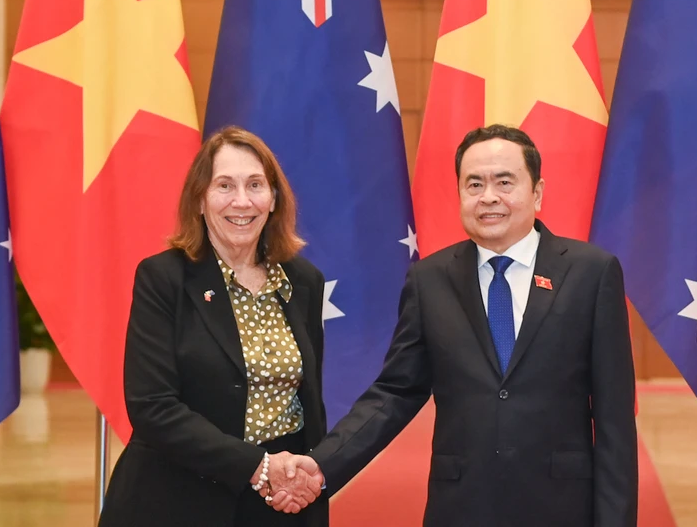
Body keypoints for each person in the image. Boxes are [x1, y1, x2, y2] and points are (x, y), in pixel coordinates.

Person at [273, 124, 639, 525]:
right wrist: (321, 465)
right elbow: (395, 393)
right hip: (462, 508)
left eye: (505, 182)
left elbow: (614, 422)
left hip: (561, 507)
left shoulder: (591, 273)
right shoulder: (430, 280)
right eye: (474, 184)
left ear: (536, 192)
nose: (489, 197)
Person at [98, 126, 327, 527]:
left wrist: (301, 477)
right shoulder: (163, 278)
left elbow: (309, 401)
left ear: (273, 199)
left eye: (255, 185)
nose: (242, 201)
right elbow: (152, 407)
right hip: (177, 498)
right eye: (225, 185)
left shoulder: (303, 281)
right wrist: (257, 466)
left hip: (278, 504)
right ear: (200, 200)